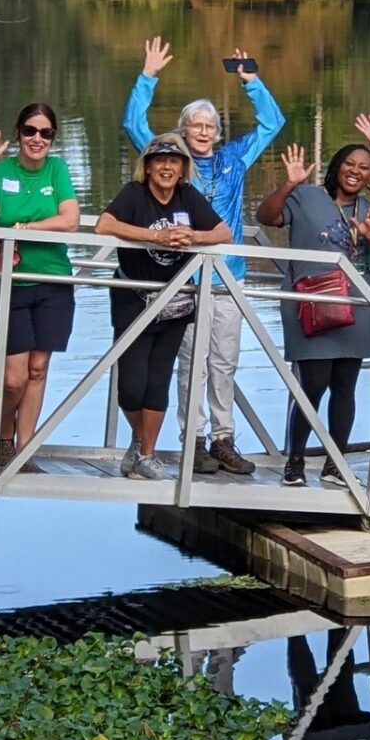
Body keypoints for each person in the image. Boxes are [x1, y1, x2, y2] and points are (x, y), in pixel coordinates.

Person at [123, 37, 282, 475]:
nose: (204, 132)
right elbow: (133, 122)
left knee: (224, 362)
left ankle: (223, 440)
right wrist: (148, 76)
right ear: (183, 129)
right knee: (190, 362)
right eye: (195, 125)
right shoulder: (170, 159)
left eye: (209, 126)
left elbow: (272, 124)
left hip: (228, 277)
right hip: (185, 279)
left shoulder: (234, 159)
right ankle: (191, 441)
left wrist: (250, 81)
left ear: (218, 132)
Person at [254, 142, 370, 488]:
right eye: (350, 163)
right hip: (310, 303)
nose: (356, 171)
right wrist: (288, 184)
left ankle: (336, 464)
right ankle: (295, 461)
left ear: (369, 177)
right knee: (313, 383)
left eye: (364, 168)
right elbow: (266, 217)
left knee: (345, 385)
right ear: (337, 165)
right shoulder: (306, 196)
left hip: (355, 305)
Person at [95, 134, 232, 480]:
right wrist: (156, 236)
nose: (167, 167)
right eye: (160, 161)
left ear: (183, 167)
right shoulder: (134, 193)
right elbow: (104, 225)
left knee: (158, 379)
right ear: (148, 166)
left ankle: (146, 454)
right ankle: (138, 441)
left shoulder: (188, 195)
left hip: (177, 299)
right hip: (134, 297)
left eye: (174, 161)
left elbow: (223, 232)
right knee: (131, 382)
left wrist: (192, 236)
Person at [0, 103, 81, 471]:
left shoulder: (57, 168)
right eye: (30, 131)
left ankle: (25, 448)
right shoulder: (2, 170)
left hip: (53, 279)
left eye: (45, 133)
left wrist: (26, 231)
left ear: (53, 138)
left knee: (38, 368)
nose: (37, 139)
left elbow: (70, 221)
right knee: (13, 377)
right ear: (18, 132)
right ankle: (1, 440)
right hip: (10, 284)